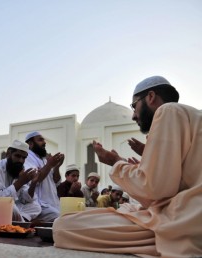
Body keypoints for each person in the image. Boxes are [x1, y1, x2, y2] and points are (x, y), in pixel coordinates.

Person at [54, 75, 202, 257]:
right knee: (126, 210)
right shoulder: (192, 118)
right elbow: (169, 187)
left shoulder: (167, 111)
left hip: (183, 221)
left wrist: (115, 163)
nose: (133, 115)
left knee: (63, 226)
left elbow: (154, 189)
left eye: (134, 105)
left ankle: (173, 242)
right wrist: (143, 163)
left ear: (151, 97)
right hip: (188, 216)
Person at [0, 140, 41, 222]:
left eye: (23, 158)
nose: (20, 160)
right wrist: (20, 181)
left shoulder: (17, 169)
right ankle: (19, 224)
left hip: (4, 206)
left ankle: (16, 220)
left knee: (36, 206)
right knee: (13, 209)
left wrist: (33, 183)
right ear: (8, 154)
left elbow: (26, 199)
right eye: (17, 156)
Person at [24, 132, 64, 222]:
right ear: (30, 144)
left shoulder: (43, 159)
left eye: (44, 140)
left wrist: (57, 166)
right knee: (59, 219)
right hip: (39, 205)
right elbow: (35, 179)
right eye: (40, 140)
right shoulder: (27, 158)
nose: (44, 142)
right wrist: (50, 164)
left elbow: (55, 181)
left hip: (52, 204)